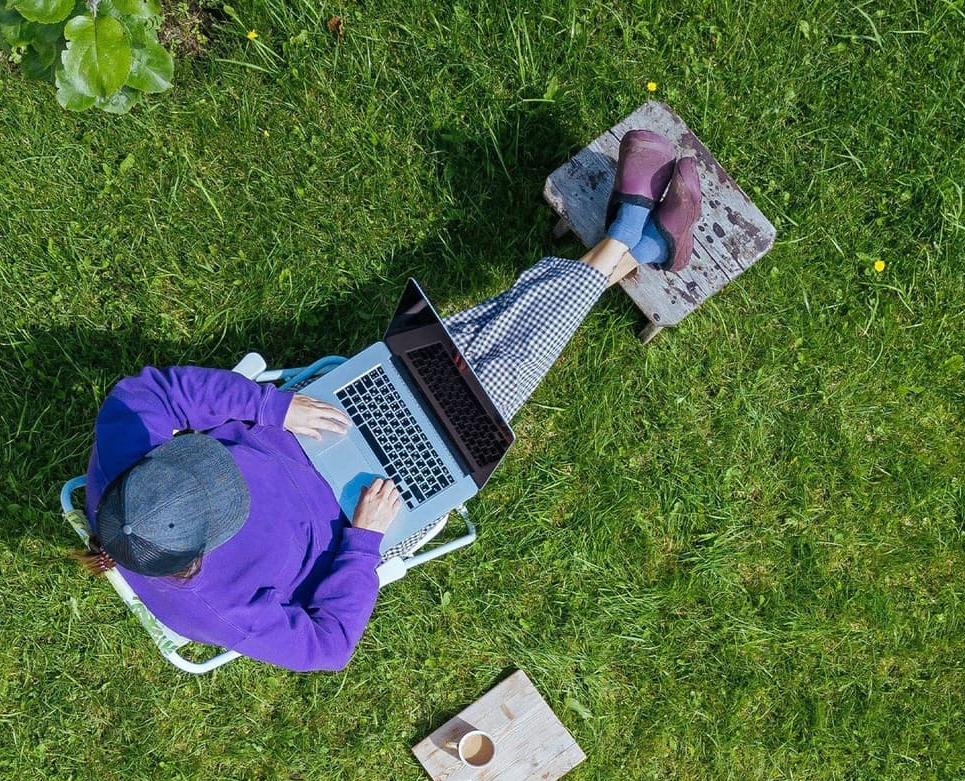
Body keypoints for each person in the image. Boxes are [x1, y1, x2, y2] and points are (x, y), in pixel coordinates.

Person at [84, 130, 701, 672]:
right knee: (495, 374)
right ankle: (630, 240)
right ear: (198, 555)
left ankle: (636, 246)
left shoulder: (124, 471)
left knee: (446, 349)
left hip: (310, 420)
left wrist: (276, 410)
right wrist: (363, 541)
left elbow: (152, 391)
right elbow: (330, 646)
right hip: (368, 503)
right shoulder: (215, 612)